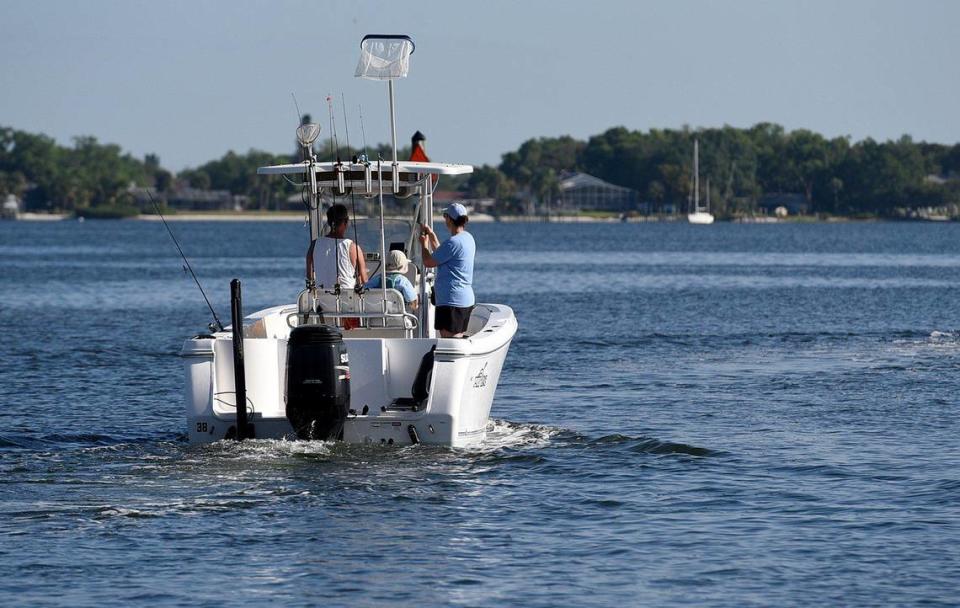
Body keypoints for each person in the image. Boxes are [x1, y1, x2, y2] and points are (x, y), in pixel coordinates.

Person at [419, 202, 475, 338]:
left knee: (450, 340)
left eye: (445, 216)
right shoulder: (468, 238)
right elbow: (443, 255)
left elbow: (428, 262)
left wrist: (424, 245)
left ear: (449, 219)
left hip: (451, 301)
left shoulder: (453, 242)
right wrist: (432, 236)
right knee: (456, 337)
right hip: (463, 299)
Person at [315, 203, 368, 329]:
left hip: (322, 307)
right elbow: (365, 280)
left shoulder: (314, 245)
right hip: (348, 307)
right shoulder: (353, 247)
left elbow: (310, 277)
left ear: (328, 222)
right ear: (346, 222)